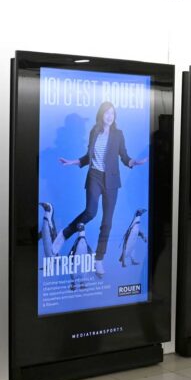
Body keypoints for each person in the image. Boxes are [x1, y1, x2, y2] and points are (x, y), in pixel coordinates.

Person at [55, 102, 146, 276]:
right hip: (95, 176)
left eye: (112, 113)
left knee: (107, 222)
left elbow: (124, 156)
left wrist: (134, 162)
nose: (110, 116)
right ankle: (64, 234)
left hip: (111, 181)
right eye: (107, 113)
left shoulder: (118, 135)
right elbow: (88, 157)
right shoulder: (94, 132)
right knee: (90, 212)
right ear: (101, 115)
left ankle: (99, 259)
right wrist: (74, 162)